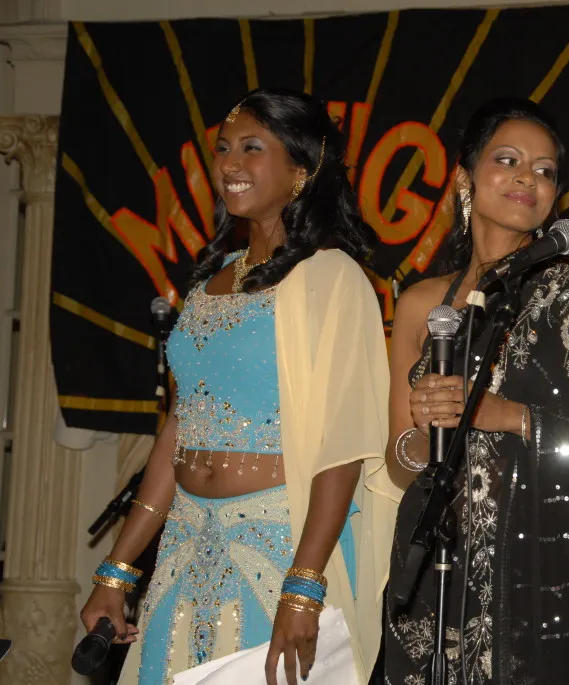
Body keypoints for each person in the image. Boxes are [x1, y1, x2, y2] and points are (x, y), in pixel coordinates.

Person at [79, 88, 401, 685]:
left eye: (252, 147)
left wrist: (304, 587)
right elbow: (179, 429)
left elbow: (344, 446)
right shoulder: (209, 284)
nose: (230, 163)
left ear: (302, 170)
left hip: (280, 545)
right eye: (224, 148)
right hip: (186, 543)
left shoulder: (332, 277)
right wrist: (117, 570)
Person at [383, 97, 569, 684]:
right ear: (465, 178)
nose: (528, 177)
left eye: (545, 169)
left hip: (542, 585)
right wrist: (426, 433)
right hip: (441, 574)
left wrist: (507, 416)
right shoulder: (422, 306)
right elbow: (401, 466)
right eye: (507, 160)